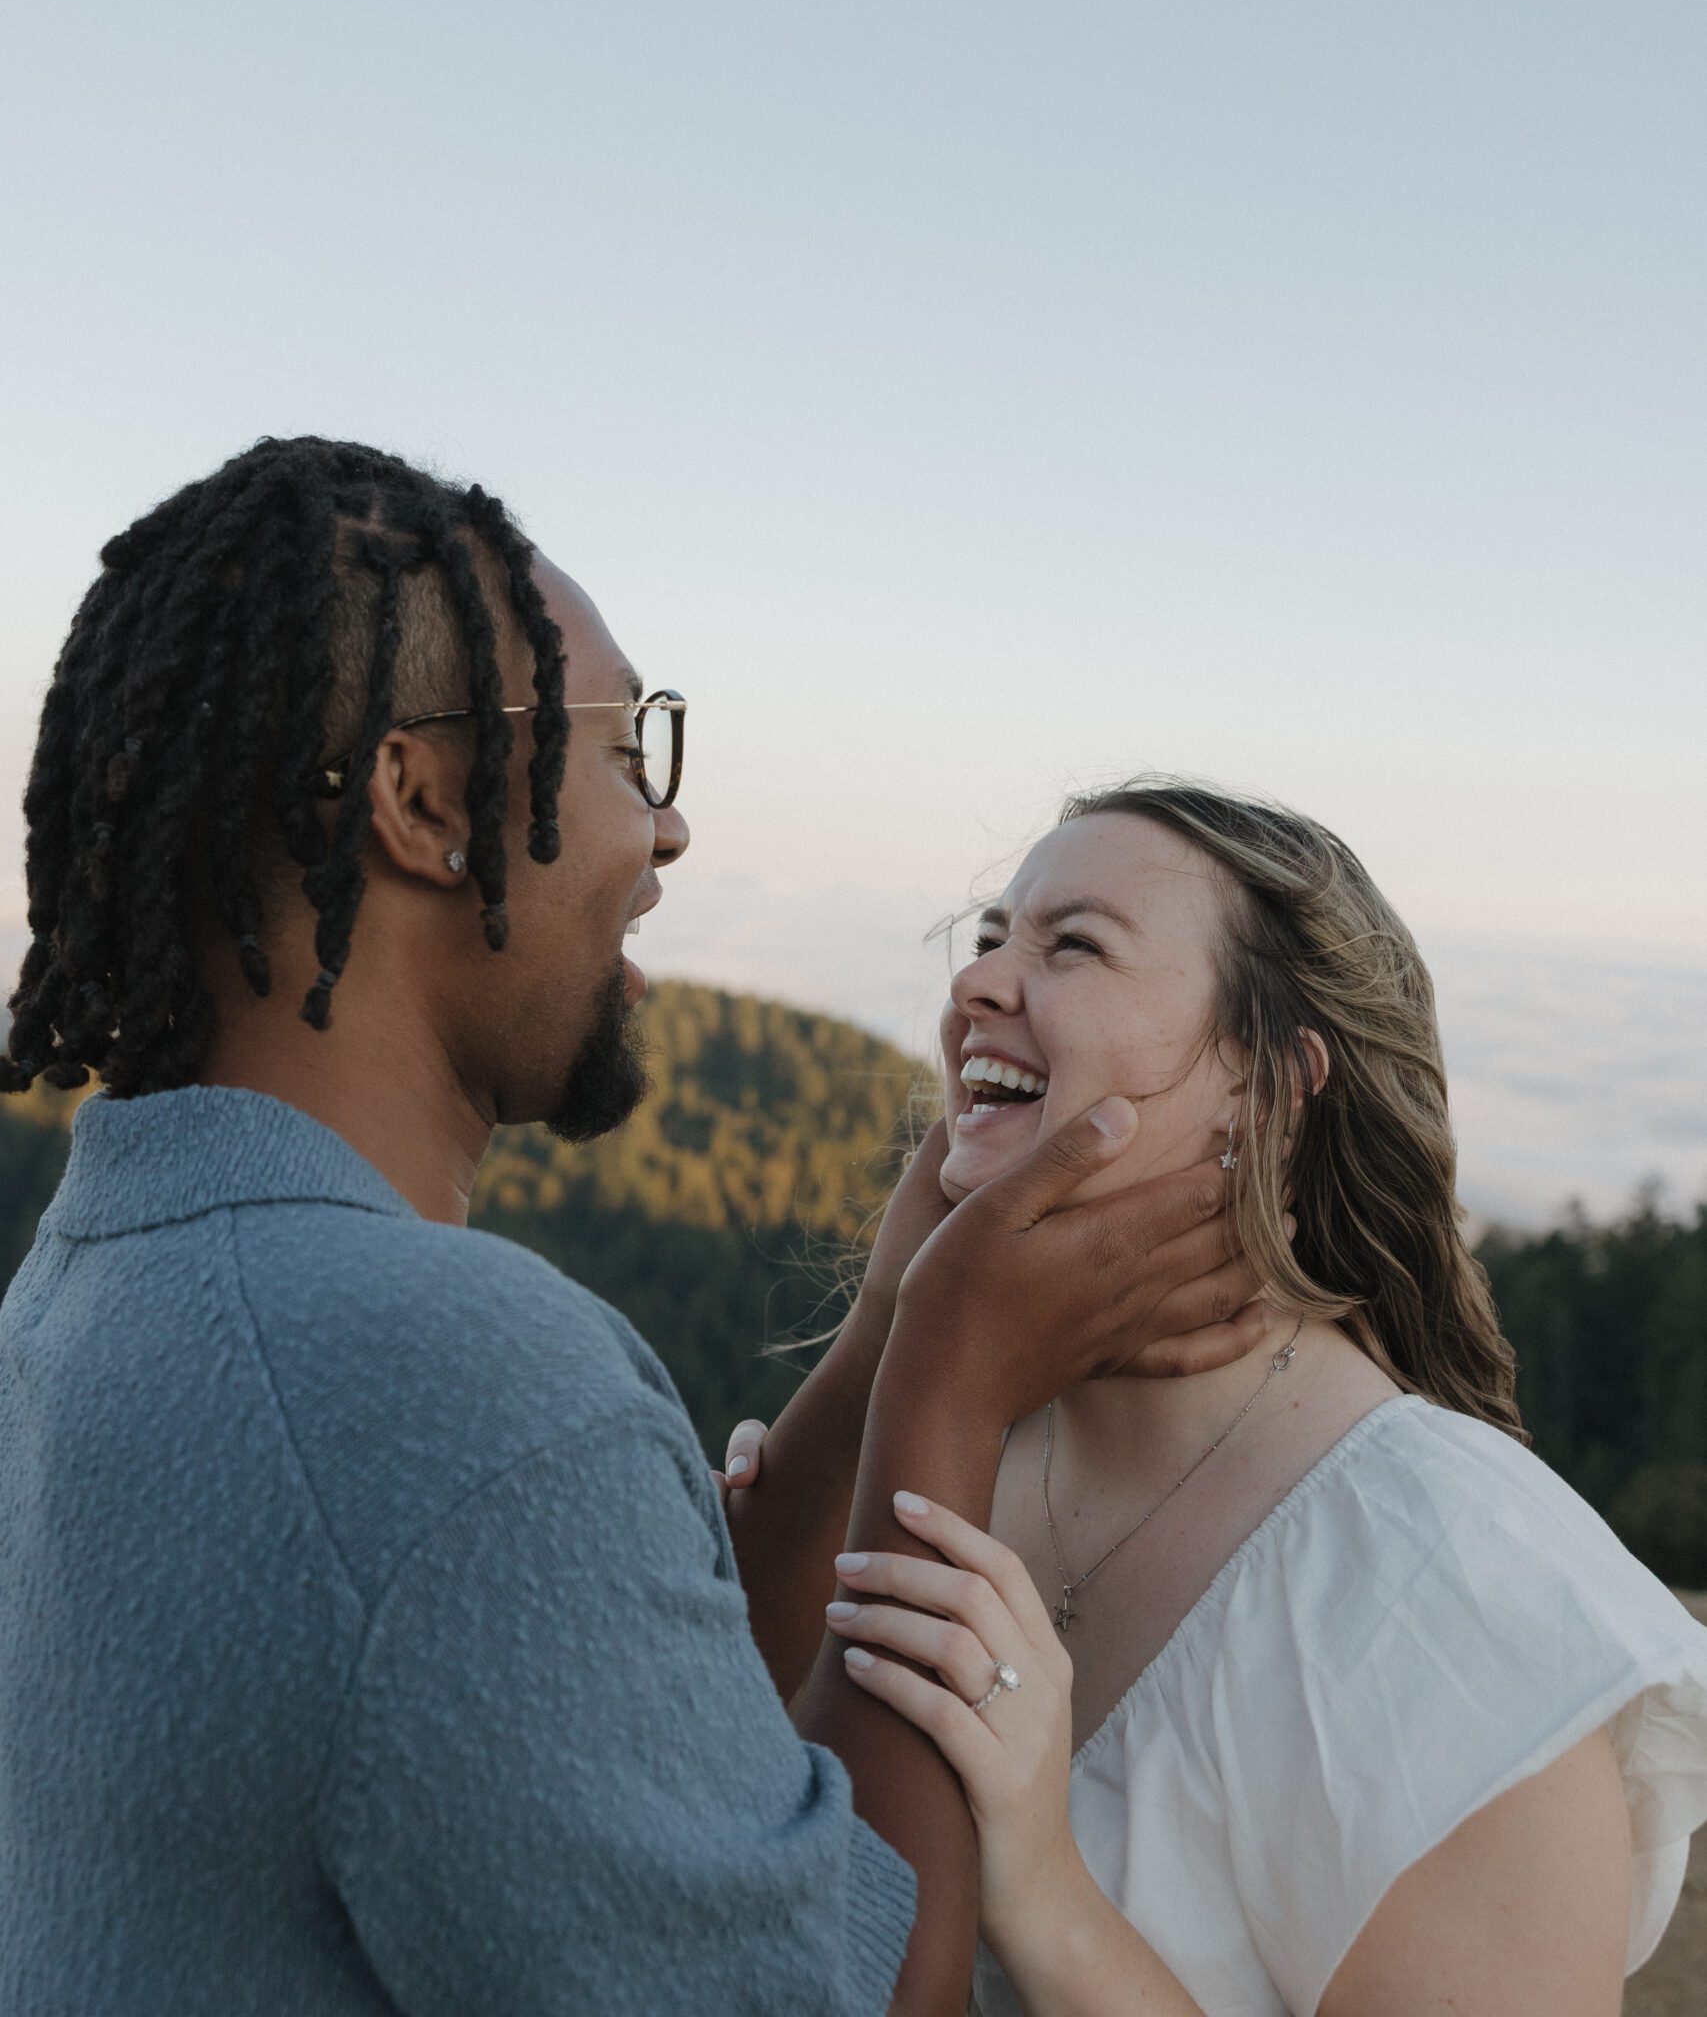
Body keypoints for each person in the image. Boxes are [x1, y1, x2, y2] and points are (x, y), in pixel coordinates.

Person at [0, 438, 1269, 2017]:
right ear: (421, 801)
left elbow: (614, 1731)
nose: (662, 833)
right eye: (623, 751)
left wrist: (880, 1330)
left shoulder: (101, 1291)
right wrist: (951, 1377)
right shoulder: (451, 1379)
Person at [739, 782, 1707, 2016]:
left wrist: (1047, 1895)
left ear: (1270, 1081)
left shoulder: (1462, 1606)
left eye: (1071, 945)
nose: (976, 987)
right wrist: (893, 1337)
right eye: (990, 941)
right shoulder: (946, 1432)